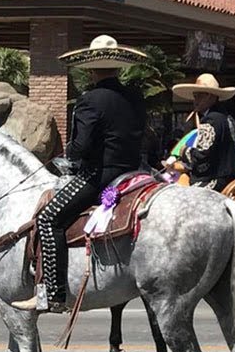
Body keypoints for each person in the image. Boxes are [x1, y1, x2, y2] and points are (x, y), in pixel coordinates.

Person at [13, 35, 147, 313]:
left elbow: (82, 146)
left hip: (101, 176)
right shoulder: (134, 96)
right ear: (118, 67)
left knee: (49, 217)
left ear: (91, 68)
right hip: (135, 172)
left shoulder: (91, 100)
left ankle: (53, 293)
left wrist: (70, 154)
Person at [171, 74, 235, 191]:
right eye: (195, 96)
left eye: (199, 96)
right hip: (232, 175)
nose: (195, 101)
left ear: (209, 96)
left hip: (214, 177)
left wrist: (184, 151)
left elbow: (202, 154)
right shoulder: (226, 117)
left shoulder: (210, 119)